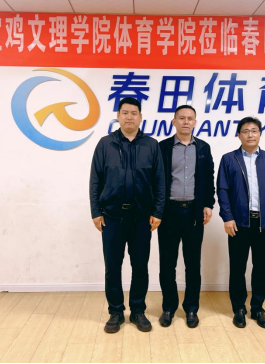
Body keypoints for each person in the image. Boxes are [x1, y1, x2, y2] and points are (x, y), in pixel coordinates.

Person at [89, 97, 165, 334]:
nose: (129, 117)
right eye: (125, 112)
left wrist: (158, 211)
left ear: (140, 117)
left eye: (134, 113)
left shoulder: (151, 145)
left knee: (140, 266)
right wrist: (95, 211)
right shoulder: (106, 144)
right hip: (112, 217)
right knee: (112, 266)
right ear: (118, 116)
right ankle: (115, 311)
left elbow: (159, 181)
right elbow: (95, 179)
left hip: (142, 218)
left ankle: (138, 310)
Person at [217, 117, 265, 329]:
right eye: (245, 131)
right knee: (237, 268)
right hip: (238, 223)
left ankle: (257, 308)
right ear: (238, 135)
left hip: (264, 224)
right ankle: (239, 309)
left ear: (260, 134)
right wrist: (227, 217)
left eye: (254, 130)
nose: (250, 135)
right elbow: (222, 190)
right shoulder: (229, 159)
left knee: (261, 268)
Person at [157, 105, 216, 329]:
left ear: (195, 122)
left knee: (192, 264)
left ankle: (191, 308)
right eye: (181, 118)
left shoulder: (203, 148)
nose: (186, 122)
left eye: (190, 118)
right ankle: (169, 307)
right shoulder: (162, 147)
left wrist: (208, 204)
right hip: (168, 212)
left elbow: (209, 178)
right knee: (167, 264)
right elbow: (156, 180)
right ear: (174, 122)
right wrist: (156, 210)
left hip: (194, 213)